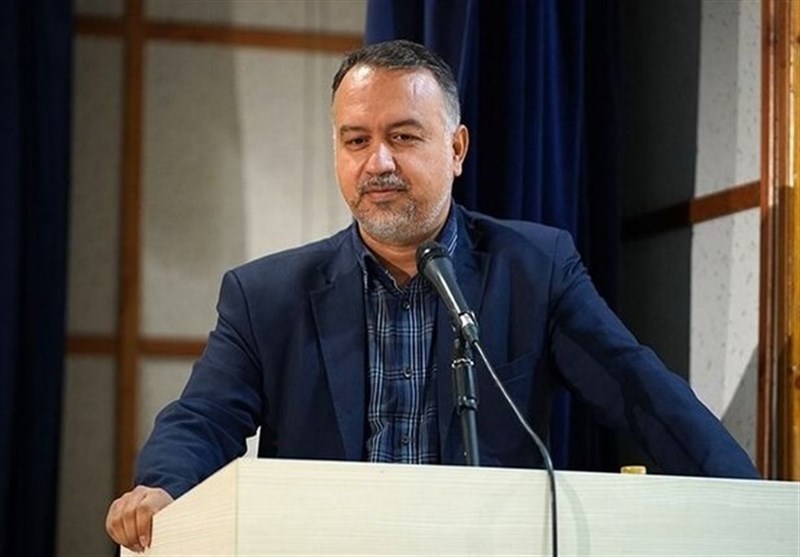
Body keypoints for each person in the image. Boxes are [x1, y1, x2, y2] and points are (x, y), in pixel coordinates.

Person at [105, 39, 759, 552]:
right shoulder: (266, 295)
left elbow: (640, 392)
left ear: (456, 148)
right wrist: (161, 487)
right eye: (356, 140)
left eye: (404, 136)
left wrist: (754, 506)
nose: (378, 162)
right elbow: (203, 418)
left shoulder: (535, 269)